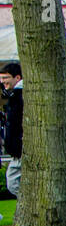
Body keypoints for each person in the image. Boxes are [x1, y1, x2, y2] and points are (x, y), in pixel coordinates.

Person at [1, 62, 23, 203]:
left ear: (17, 77)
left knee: (13, 182)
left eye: (5, 77)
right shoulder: (14, 96)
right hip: (17, 149)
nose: (3, 81)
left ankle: (30, 207)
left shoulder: (18, 96)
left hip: (20, 150)